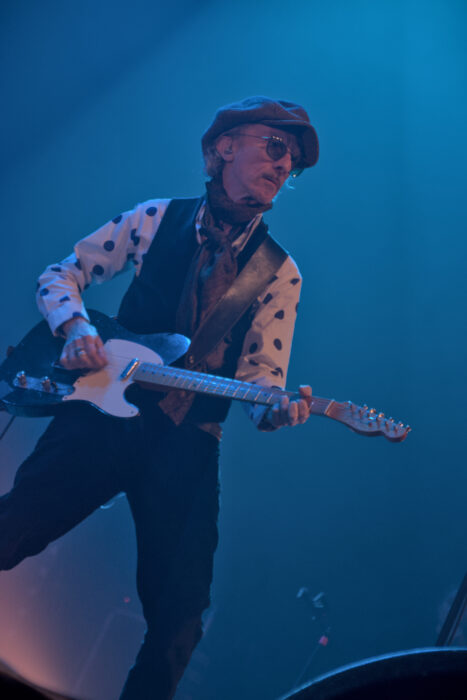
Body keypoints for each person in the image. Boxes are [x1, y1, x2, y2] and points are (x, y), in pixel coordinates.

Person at [0, 96, 319, 699]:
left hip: (187, 444)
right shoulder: (154, 217)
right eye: (276, 147)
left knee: (180, 620)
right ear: (224, 146)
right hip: (101, 416)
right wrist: (78, 328)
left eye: (293, 162)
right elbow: (61, 275)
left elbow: (262, 379)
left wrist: (275, 408)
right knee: (12, 529)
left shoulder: (281, 272)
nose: (284, 165)